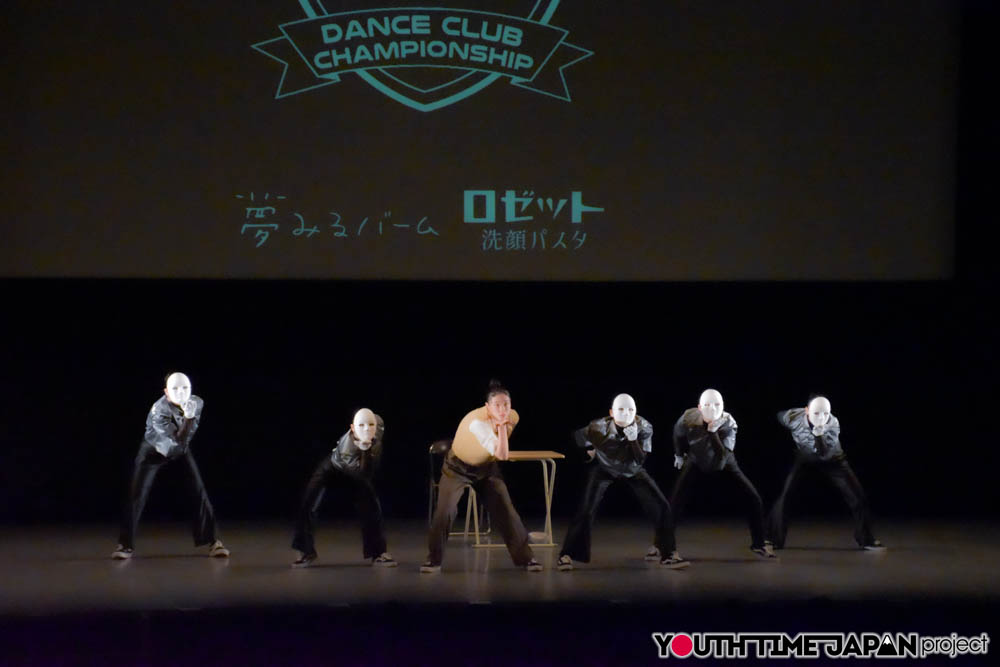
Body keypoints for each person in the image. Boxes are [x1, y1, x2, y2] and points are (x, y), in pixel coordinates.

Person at [556, 394, 688, 571]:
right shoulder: (598, 427)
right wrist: (589, 451)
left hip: (633, 469)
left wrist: (633, 440)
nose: (626, 413)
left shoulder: (644, 426)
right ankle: (567, 555)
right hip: (605, 468)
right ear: (611, 413)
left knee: (661, 505)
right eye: (621, 409)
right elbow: (577, 437)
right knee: (586, 508)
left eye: (631, 410)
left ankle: (668, 553)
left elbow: (641, 458)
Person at [422, 380, 542, 573]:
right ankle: (433, 560)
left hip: (486, 468)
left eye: (506, 405)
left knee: (506, 509)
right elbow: (502, 454)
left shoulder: (513, 416)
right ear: (487, 407)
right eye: (497, 405)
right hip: (457, 468)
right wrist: (501, 428)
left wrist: (503, 427)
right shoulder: (477, 423)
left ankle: (526, 558)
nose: (503, 410)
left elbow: (500, 449)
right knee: (446, 511)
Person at [112, 372, 230, 559]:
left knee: (198, 489)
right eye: (175, 389)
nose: (181, 393)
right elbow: (175, 440)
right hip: (153, 449)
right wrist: (189, 419)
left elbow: (184, 440)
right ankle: (124, 545)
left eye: (185, 388)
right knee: (137, 494)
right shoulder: (158, 411)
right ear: (166, 392)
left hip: (180, 448)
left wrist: (189, 417)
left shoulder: (196, 402)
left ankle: (214, 541)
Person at [767, 396, 886, 551]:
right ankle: (773, 540)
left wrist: (819, 435)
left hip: (833, 460)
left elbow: (823, 453)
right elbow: (780, 416)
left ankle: (866, 540)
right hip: (805, 459)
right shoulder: (794, 417)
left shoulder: (833, 423)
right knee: (784, 496)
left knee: (857, 496)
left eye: (825, 414)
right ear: (807, 411)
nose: (821, 418)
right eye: (816, 413)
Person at [670, 389, 776, 559]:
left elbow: (721, 460)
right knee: (675, 501)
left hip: (725, 461)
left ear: (723, 407)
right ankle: (662, 545)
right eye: (707, 405)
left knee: (753, 497)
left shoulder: (729, 423)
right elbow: (677, 432)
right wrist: (678, 454)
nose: (712, 409)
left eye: (717, 405)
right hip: (696, 458)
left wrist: (713, 433)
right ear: (699, 408)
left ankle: (759, 544)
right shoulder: (688, 417)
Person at [291, 408, 397, 567]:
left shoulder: (377, 429)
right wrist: (364, 449)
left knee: (371, 504)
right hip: (333, 468)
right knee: (309, 501)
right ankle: (306, 551)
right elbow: (361, 475)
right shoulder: (347, 447)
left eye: (371, 425)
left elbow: (369, 473)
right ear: (352, 428)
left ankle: (378, 552)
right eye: (361, 426)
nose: (367, 430)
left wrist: (367, 450)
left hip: (358, 468)